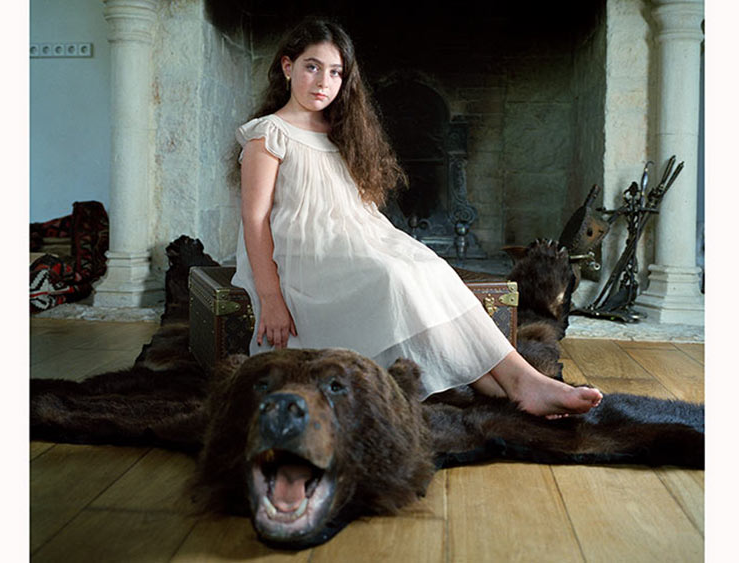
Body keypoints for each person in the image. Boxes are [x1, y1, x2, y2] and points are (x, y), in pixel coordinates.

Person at [231, 18, 602, 417]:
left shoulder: (340, 129)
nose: (323, 81)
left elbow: (353, 204)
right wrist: (270, 297)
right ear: (288, 67)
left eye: (336, 72)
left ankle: (512, 381)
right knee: (394, 276)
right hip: (306, 256)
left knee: (432, 268)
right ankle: (518, 382)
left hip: (358, 235)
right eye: (312, 66)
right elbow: (255, 219)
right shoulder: (269, 134)